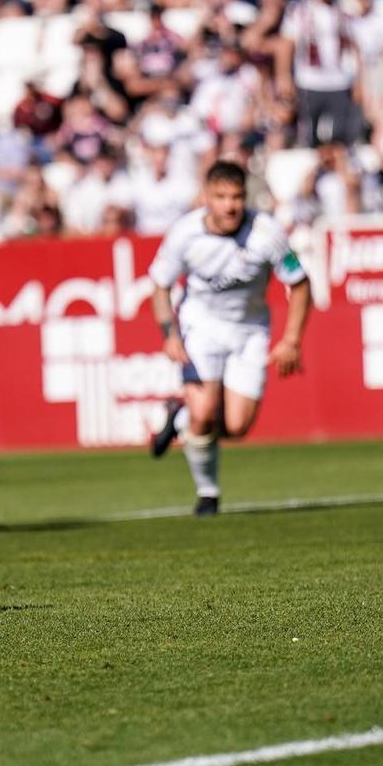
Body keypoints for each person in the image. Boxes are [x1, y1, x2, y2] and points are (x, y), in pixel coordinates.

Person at [144, 160, 311, 515]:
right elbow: (160, 286)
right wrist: (168, 333)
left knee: (236, 427)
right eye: (221, 197)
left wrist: (292, 339)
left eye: (236, 197)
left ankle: (179, 418)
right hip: (199, 327)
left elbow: (299, 284)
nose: (230, 206)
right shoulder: (184, 234)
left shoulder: (266, 233)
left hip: (249, 333)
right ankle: (208, 493)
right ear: (206, 198)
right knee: (205, 412)